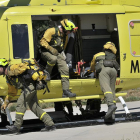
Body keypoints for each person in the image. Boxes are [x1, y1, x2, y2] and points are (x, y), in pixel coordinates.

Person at [0, 59, 56, 134]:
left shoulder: (12, 68)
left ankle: (16, 126)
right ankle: (50, 124)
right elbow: (12, 92)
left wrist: (14, 72)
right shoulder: (8, 78)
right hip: (28, 88)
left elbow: (24, 67)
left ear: (2, 67)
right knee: (34, 107)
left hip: (30, 87)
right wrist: (6, 103)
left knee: (20, 103)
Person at [40, 19, 78, 98]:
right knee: (53, 59)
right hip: (46, 51)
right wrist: (51, 49)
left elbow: (63, 47)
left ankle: (65, 91)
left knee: (65, 69)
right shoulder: (51, 31)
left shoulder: (65, 36)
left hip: (58, 53)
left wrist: (62, 54)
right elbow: (42, 42)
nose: (70, 33)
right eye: (69, 31)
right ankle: (47, 73)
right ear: (64, 28)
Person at [89, 42, 119, 120]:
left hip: (104, 71)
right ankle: (112, 115)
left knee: (106, 88)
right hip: (113, 71)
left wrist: (92, 70)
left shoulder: (97, 55)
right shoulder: (113, 56)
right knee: (112, 91)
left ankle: (110, 105)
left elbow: (92, 66)